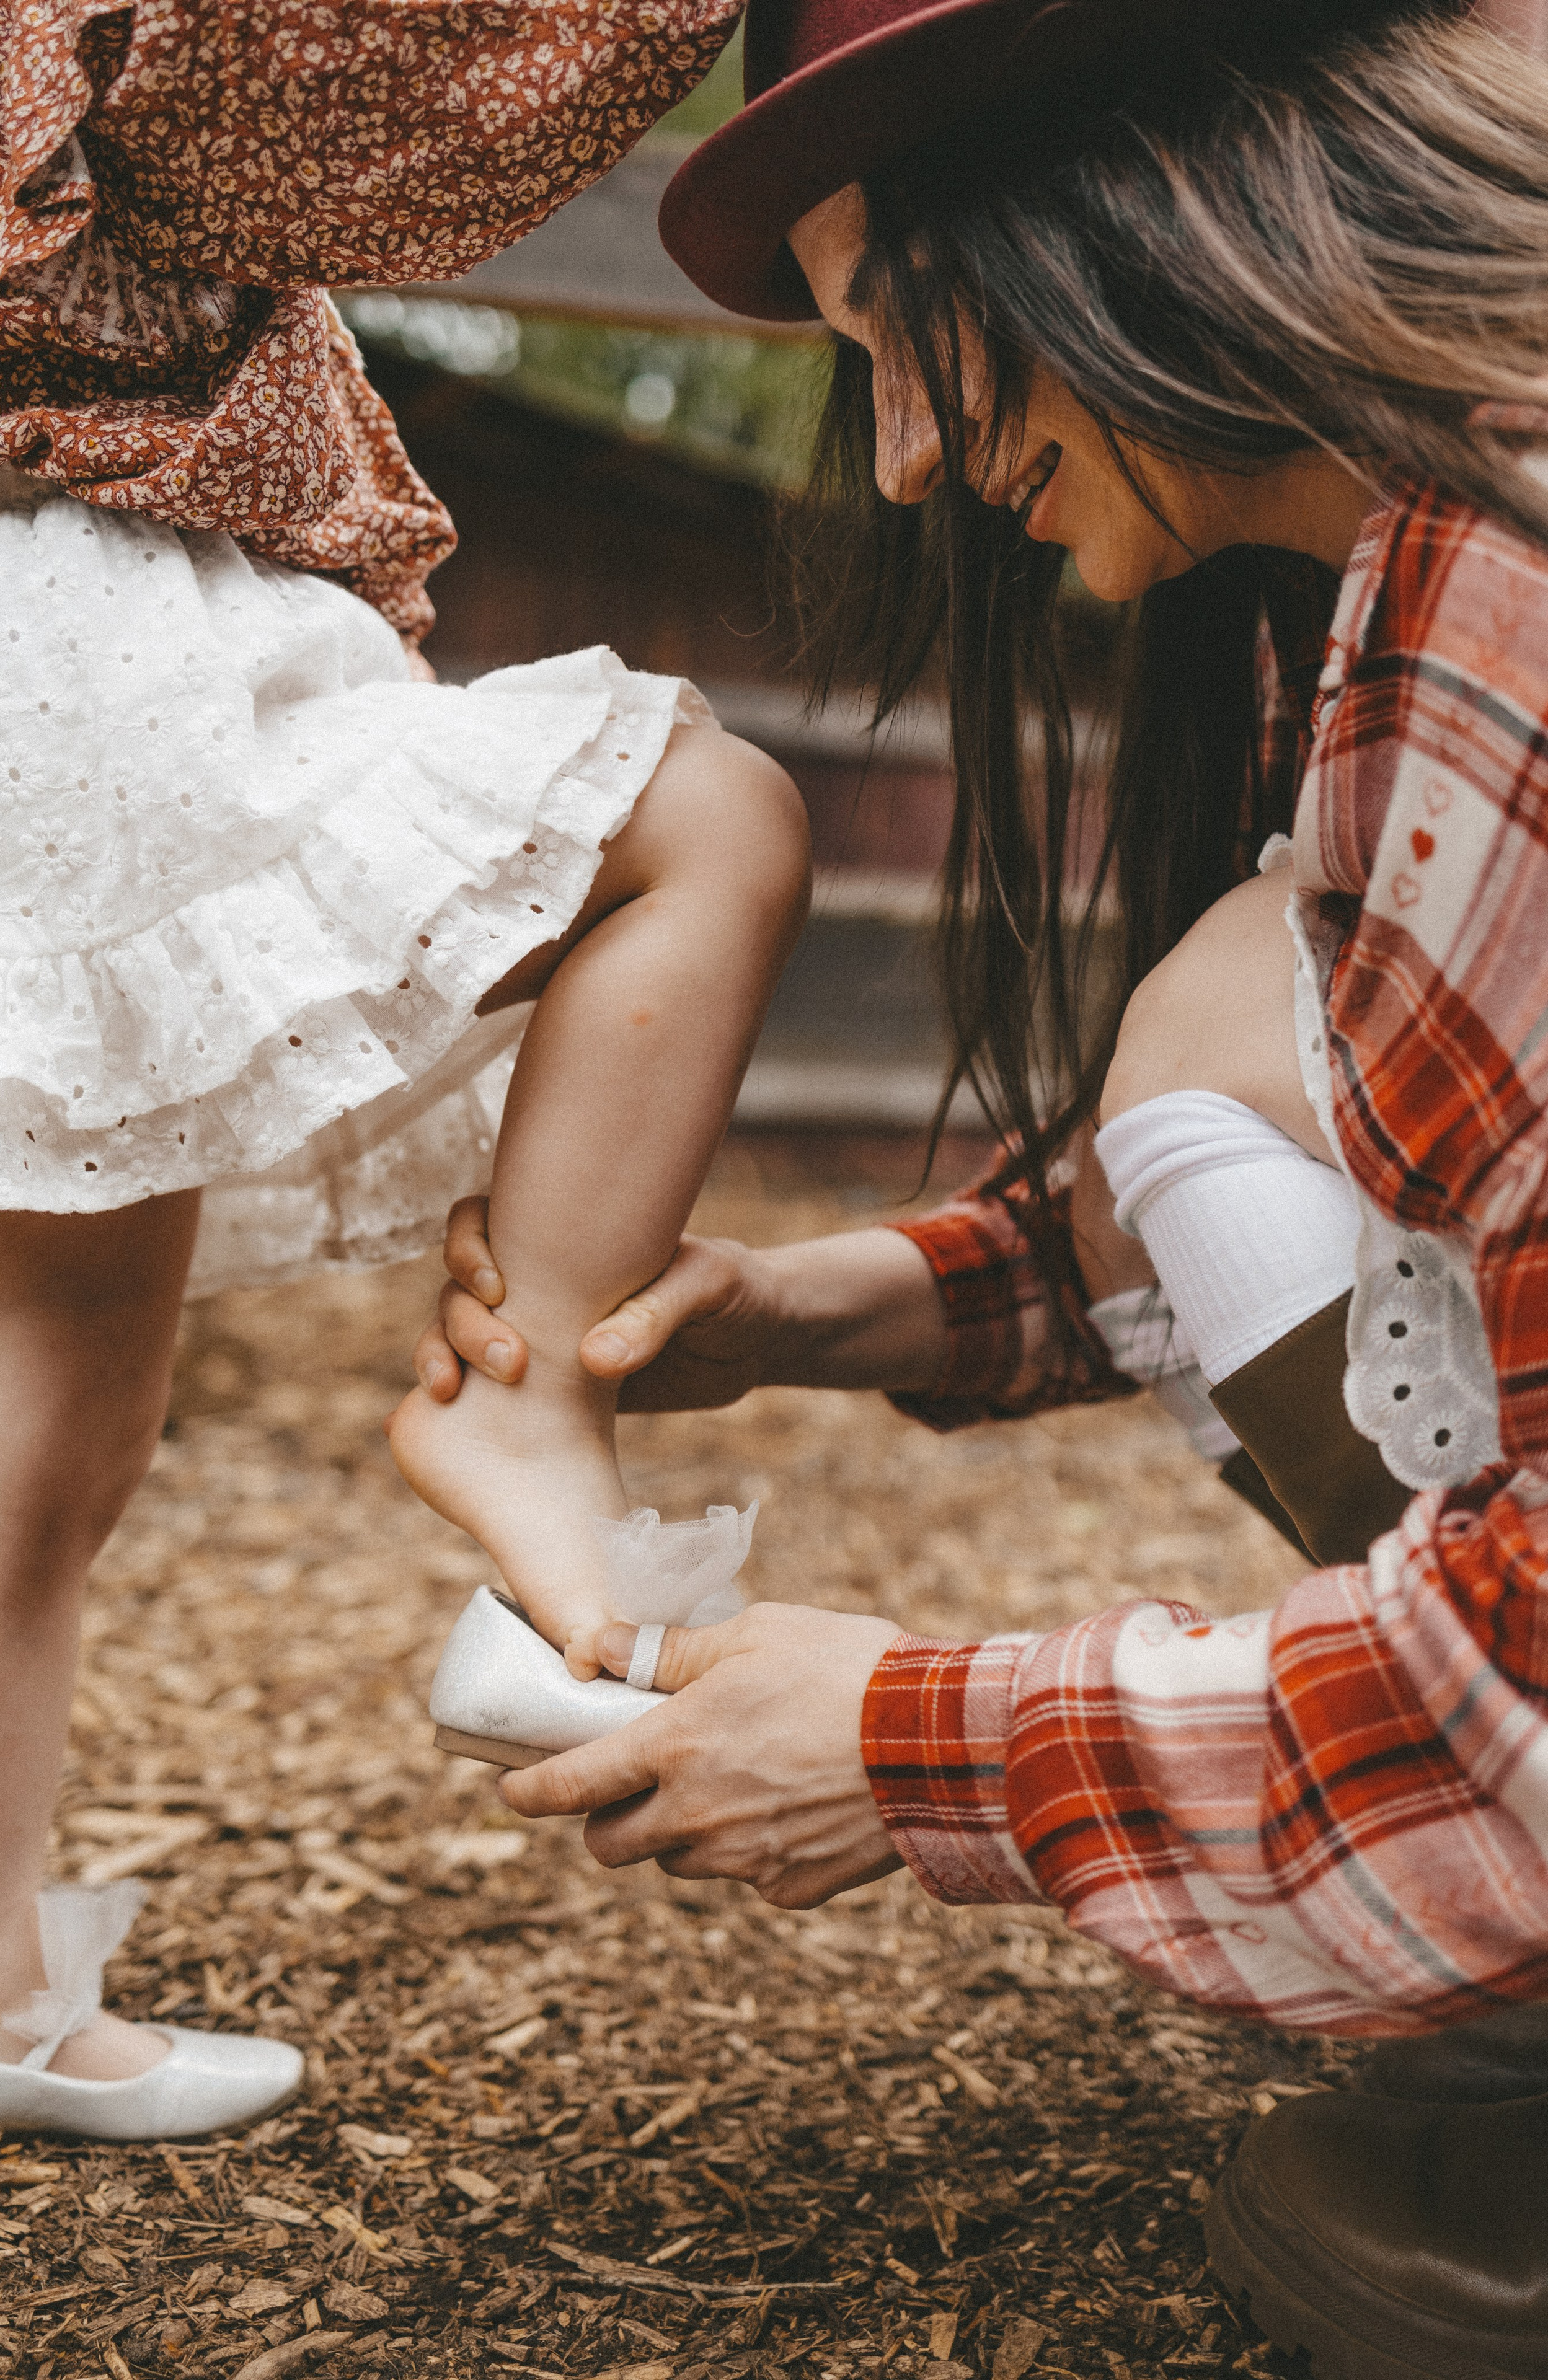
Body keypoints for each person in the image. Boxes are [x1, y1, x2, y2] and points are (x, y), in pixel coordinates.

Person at [414, 0, 1548, 2369]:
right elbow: (1380, 1104)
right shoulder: (1408, 563)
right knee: (1236, 1007)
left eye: (906, 339)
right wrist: (828, 1307)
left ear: (1133, 197)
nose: (913, 460)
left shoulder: (1511, 626)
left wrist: (922, 1742)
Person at [0, 0, 812, 2140]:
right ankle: (530, 1427)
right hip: (64, 635)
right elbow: (353, 126)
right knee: (710, 827)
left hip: (19, 652)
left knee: (40, 1394)